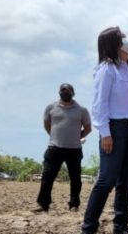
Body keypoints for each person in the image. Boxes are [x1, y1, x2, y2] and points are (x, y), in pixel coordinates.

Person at [81, 29, 128, 234]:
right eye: (122, 36)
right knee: (107, 179)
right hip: (115, 129)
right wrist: (105, 133)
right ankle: (88, 229)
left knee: (127, 182)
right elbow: (99, 104)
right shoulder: (107, 69)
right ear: (115, 43)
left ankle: (121, 228)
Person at [34, 83, 91, 213]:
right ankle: (43, 205)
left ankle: (74, 204)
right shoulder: (50, 107)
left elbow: (88, 128)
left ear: (73, 93)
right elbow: (47, 124)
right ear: (59, 92)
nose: (65, 92)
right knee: (47, 176)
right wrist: (54, 136)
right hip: (54, 148)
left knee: (75, 178)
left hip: (74, 149)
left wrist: (78, 136)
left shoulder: (81, 110)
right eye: (63, 90)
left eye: (68, 90)